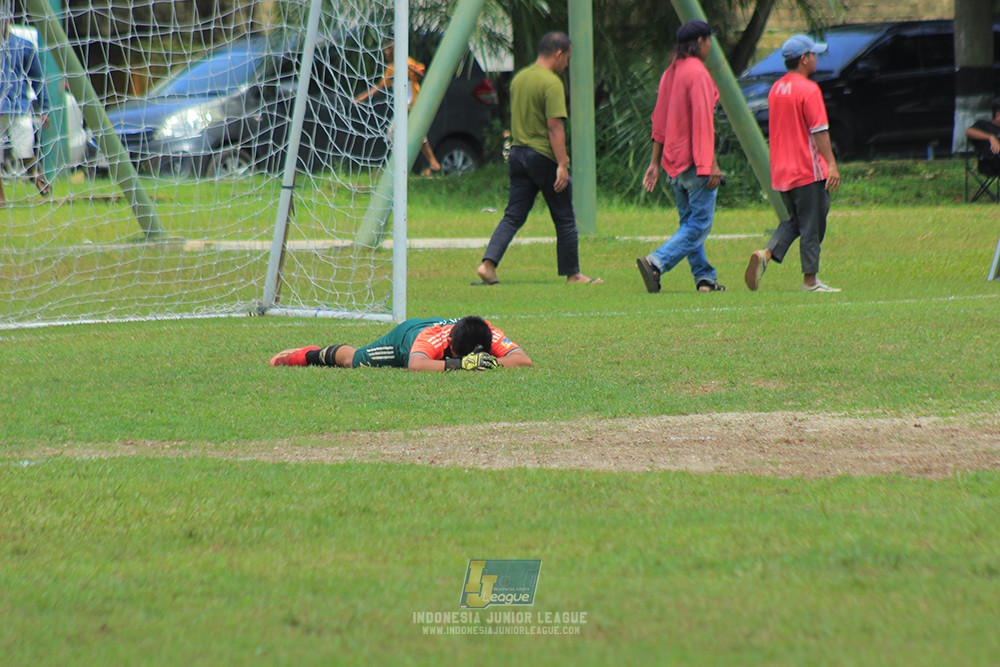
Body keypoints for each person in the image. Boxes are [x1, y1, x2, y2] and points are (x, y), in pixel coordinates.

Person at [474, 31, 602, 286]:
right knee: (564, 217)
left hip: (517, 153)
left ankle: (487, 266)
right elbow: (554, 126)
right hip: (542, 156)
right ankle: (573, 274)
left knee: (513, 216)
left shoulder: (520, 78)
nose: (566, 64)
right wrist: (562, 164)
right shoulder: (551, 83)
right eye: (567, 58)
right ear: (559, 54)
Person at [744, 34, 841, 293]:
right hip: (807, 169)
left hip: (781, 170)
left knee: (795, 221)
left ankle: (765, 255)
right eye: (813, 54)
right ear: (804, 59)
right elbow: (819, 131)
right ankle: (810, 281)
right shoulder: (809, 89)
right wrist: (831, 164)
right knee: (812, 224)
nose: (816, 58)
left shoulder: (776, 89)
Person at [636, 20, 725, 294]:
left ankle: (704, 279)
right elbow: (703, 122)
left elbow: (659, 120)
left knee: (689, 225)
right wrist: (711, 164)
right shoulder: (698, 73)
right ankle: (656, 262)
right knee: (699, 225)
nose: (710, 46)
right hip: (695, 163)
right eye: (709, 40)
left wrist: (654, 163)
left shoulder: (670, 73)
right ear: (700, 42)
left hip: (673, 164)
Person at [269, 315, 533, 372]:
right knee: (353, 360)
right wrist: (461, 365)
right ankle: (308, 355)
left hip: (435, 332)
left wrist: (493, 362)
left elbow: (524, 360)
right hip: (405, 337)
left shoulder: (488, 333)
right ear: (450, 344)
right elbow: (416, 365)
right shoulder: (432, 339)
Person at [355, 41, 442, 176]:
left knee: (393, 133)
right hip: (402, 108)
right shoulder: (390, 69)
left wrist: (408, 67)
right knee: (409, 135)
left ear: (395, 50)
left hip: (413, 105)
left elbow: (421, 74)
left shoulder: (408, 62)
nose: (385, 53)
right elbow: (379, 87)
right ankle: (430, 164)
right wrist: (362, 98)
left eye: (387, 50)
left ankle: (399, 166)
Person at [0, 7, 50, 206]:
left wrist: (44, 108)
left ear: (9, 21)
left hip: (17, 107)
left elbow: (37, 78)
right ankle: (1, 199)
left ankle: (40, 182)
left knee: (25, 151)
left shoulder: (23, 46)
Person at [965, 98, 1000, 173]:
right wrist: (991, 137)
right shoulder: (984, 124)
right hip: (989, 163)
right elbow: (969, 132)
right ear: (998, 114)